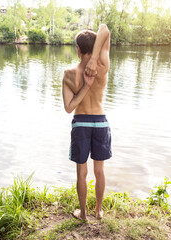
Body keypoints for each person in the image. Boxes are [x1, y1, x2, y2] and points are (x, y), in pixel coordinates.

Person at [62, 24, 111, 220]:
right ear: (96, 47)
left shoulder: (68, 74)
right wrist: (94, 61)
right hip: (100, 121)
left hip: (80, 123)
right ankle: (98, 211)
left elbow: (69, 108)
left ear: (78, 49)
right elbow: (105, 30)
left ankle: (82, 213)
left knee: (81, 173)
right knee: (99, 171)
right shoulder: (103, 67)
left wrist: (83, 88)